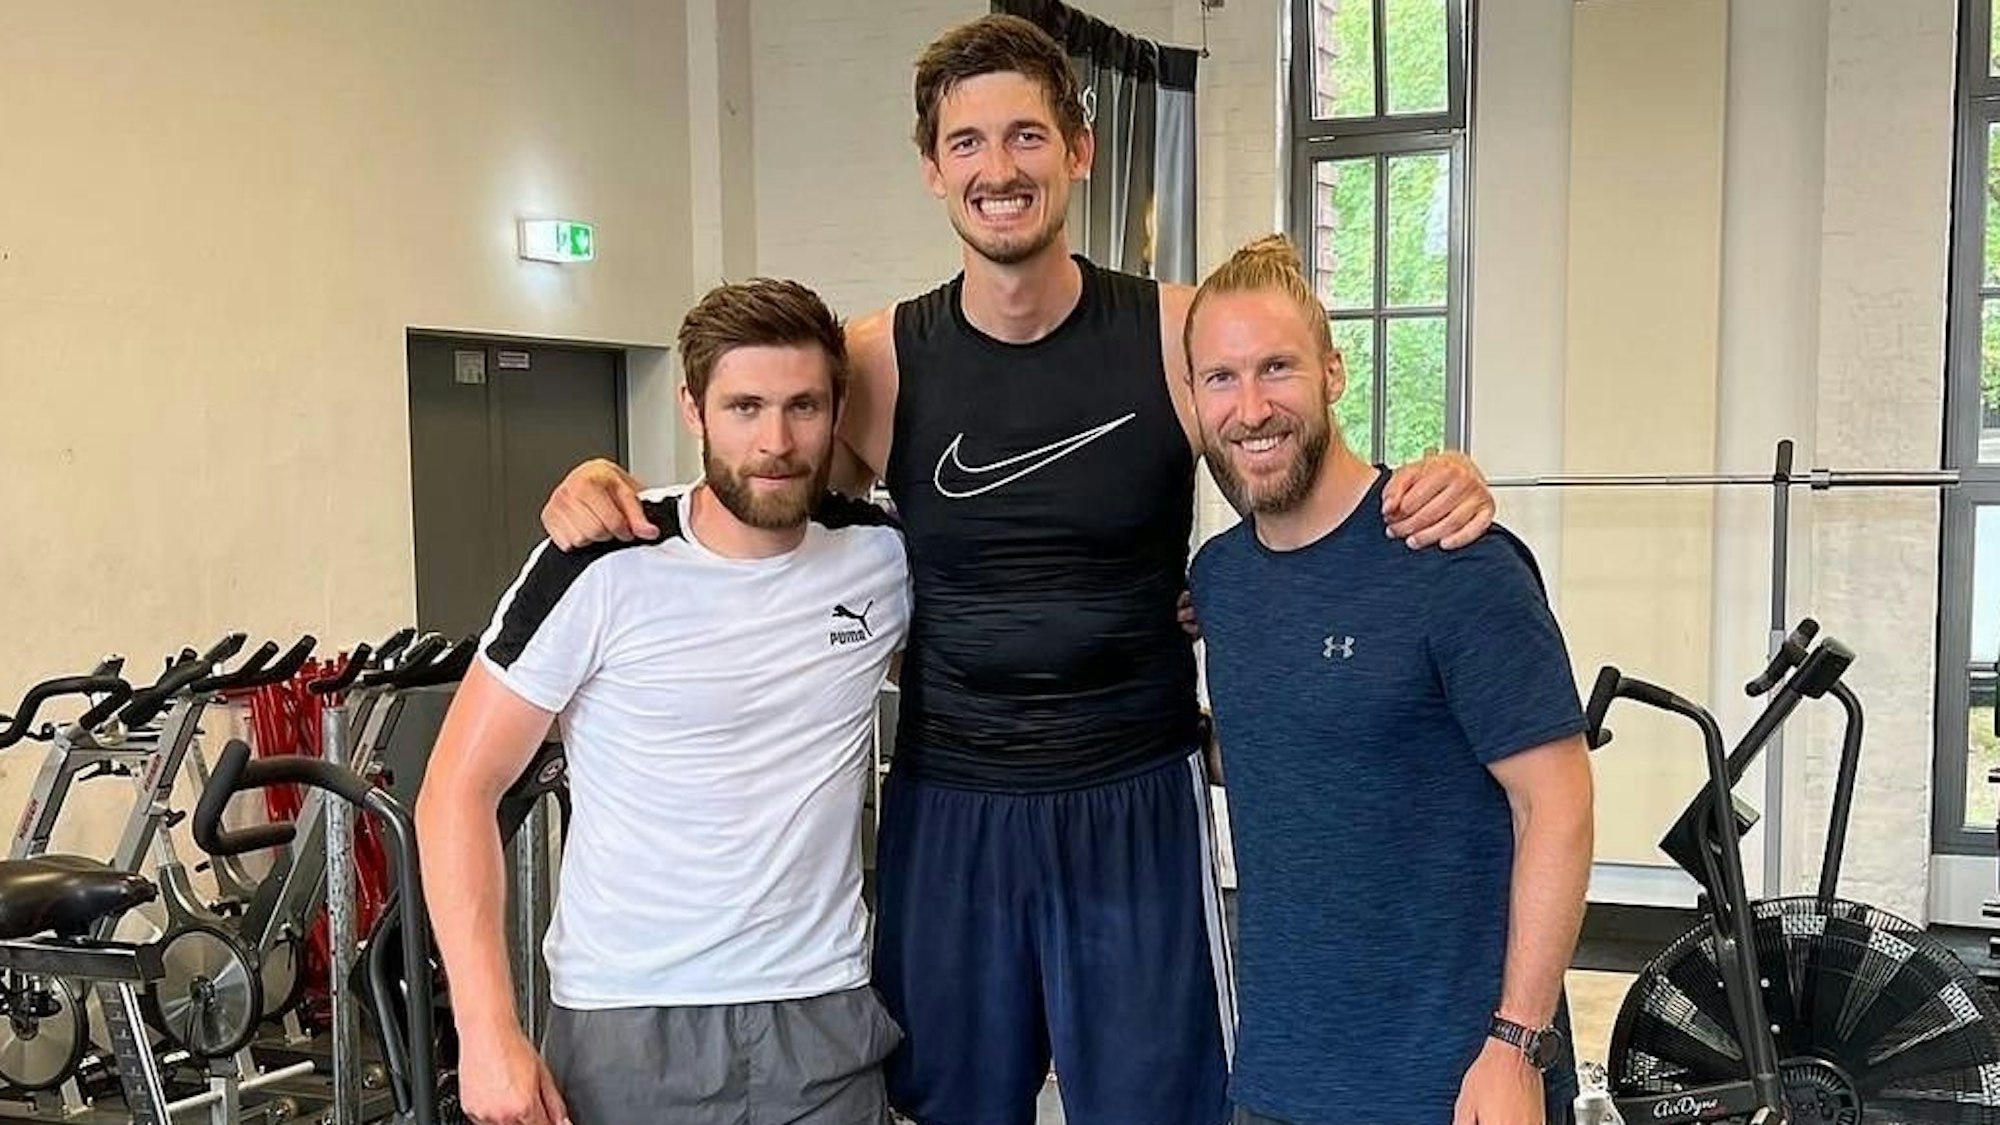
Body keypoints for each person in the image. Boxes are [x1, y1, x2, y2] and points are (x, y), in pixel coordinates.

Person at [536, 17, 1497, 1125]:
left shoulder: (1172, 332)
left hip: (1136, 799)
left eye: (1027, 135)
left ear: (1078, 149)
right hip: (952, 811)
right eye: (968, 142)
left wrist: (1433, 479)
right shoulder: (878, 359)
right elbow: (764, 492)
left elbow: (1296, 476)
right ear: (932, 167)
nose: (999, 168)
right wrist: (617, 487)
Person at [415, 278, 912, 1125]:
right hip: (629, 1018)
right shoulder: (600, 561)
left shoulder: (881, 561)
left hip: (821, 1012)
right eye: (744, 407)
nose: (776, 441)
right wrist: (486, 1032)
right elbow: (456, 790)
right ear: (692, 408)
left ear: (837, 412)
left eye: (802, 406)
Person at [1184, 235, 1595, 1125]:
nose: (1251, 408)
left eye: (1277, 368)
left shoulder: (1452, 559)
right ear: (1194, 398)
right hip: (1278, 1082)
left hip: (1454, 1086)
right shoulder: (1219, 580)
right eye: (1221, 378)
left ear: (1333, 373)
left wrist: (1516, 1044)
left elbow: (1558, 803)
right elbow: (1288, 743)